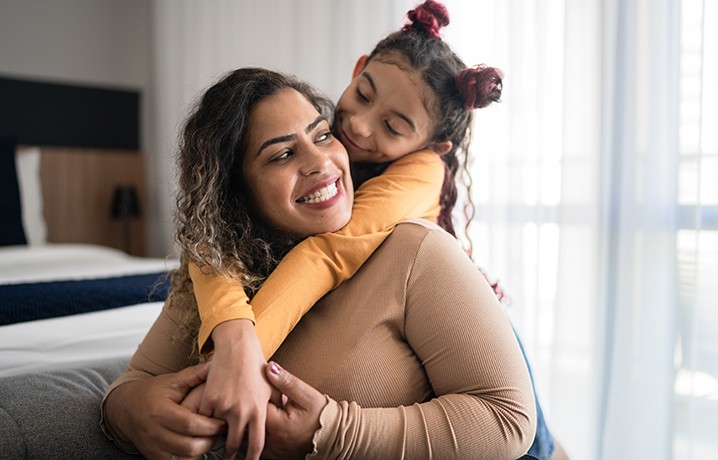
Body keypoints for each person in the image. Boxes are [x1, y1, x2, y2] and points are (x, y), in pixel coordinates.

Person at [187, 2, 562, 459]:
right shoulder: (319, 133)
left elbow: (328, 253)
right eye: (363, 95)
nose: (358, 126)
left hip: (475, 328)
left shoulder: (423, 171)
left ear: (432, 146)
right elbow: (210, 241)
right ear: (359, 68)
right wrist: (229, 329)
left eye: (392, 126)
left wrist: (244, 358)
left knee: (540, 451)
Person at [100, 67, 537, 459]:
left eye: (323, 135)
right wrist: (130, 413)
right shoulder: (220, 270)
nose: (322, 163)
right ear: (236, 193)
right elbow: (133, 383)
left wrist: (332, 430)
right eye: (282, 154)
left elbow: (508, 420)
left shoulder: (416, 252)